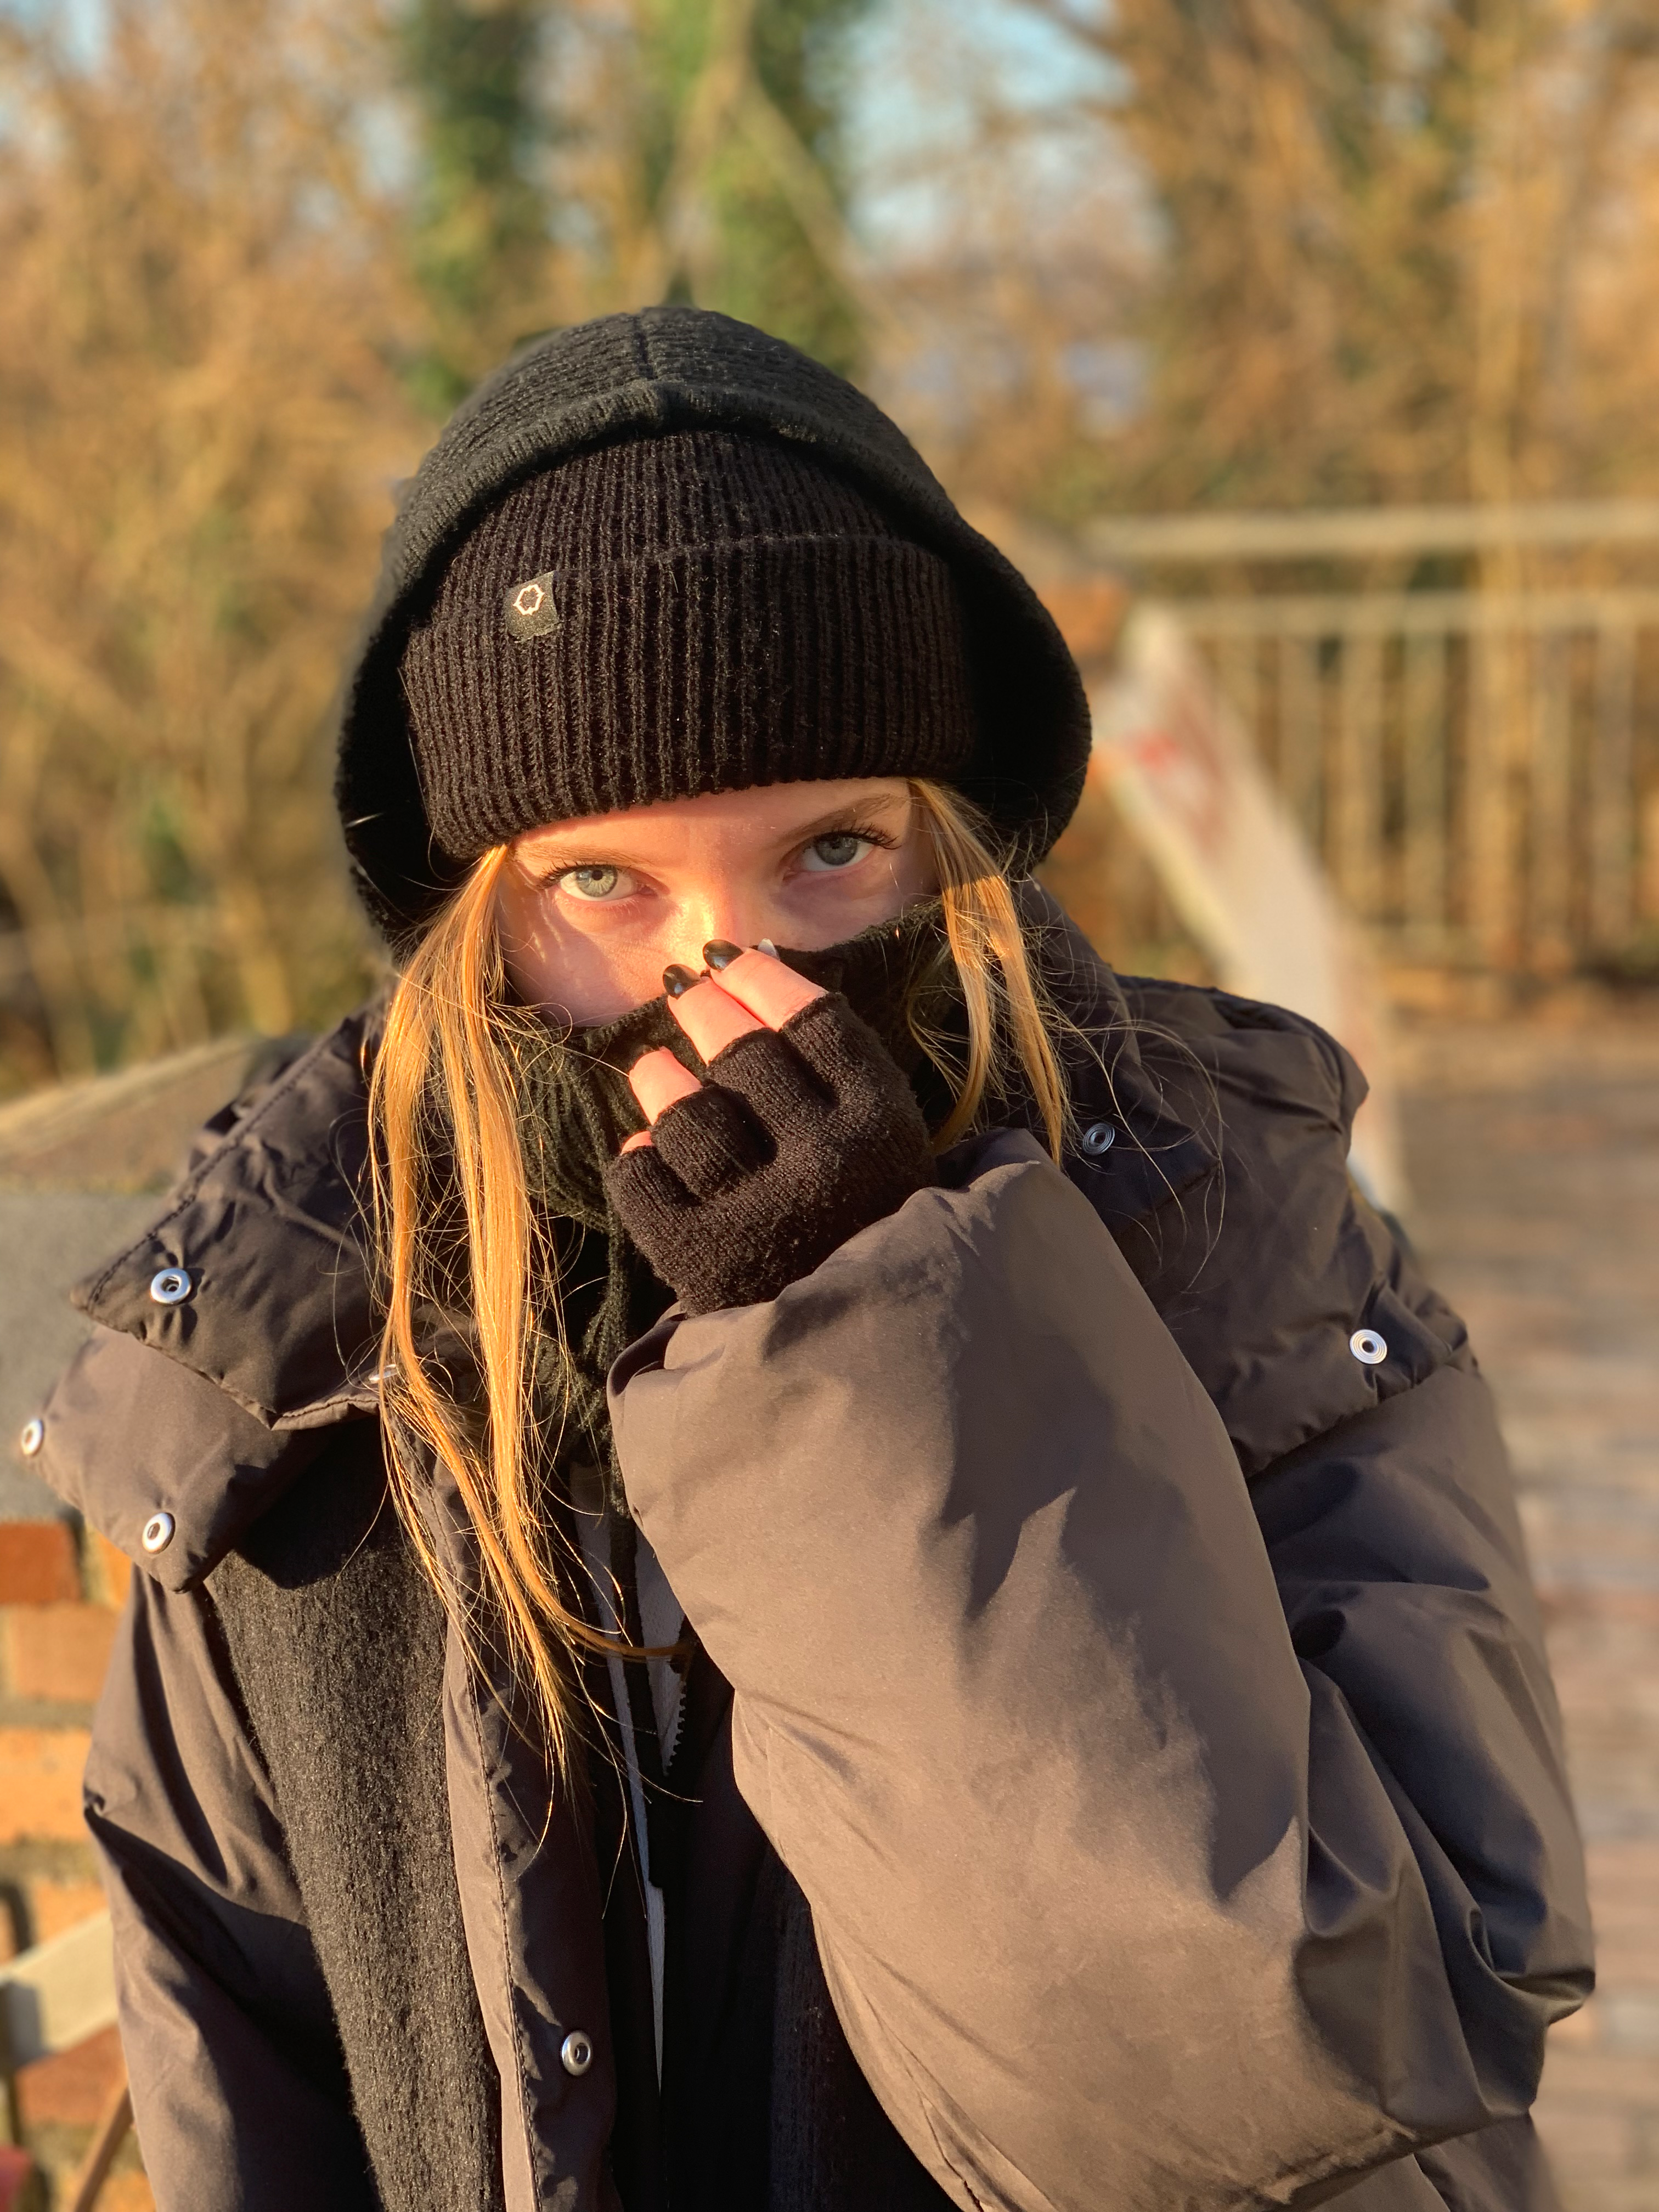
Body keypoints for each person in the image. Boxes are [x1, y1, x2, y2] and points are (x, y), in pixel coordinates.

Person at [31, 306, 1590, 2212]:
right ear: (466, 922)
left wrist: (869, 1339)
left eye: (833, 852)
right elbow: (238, 2068)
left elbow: (1300, 2068)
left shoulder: (1238, 1244)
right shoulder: (303, 1346)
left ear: (958, 847)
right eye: (603, 883)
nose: (734, 982)